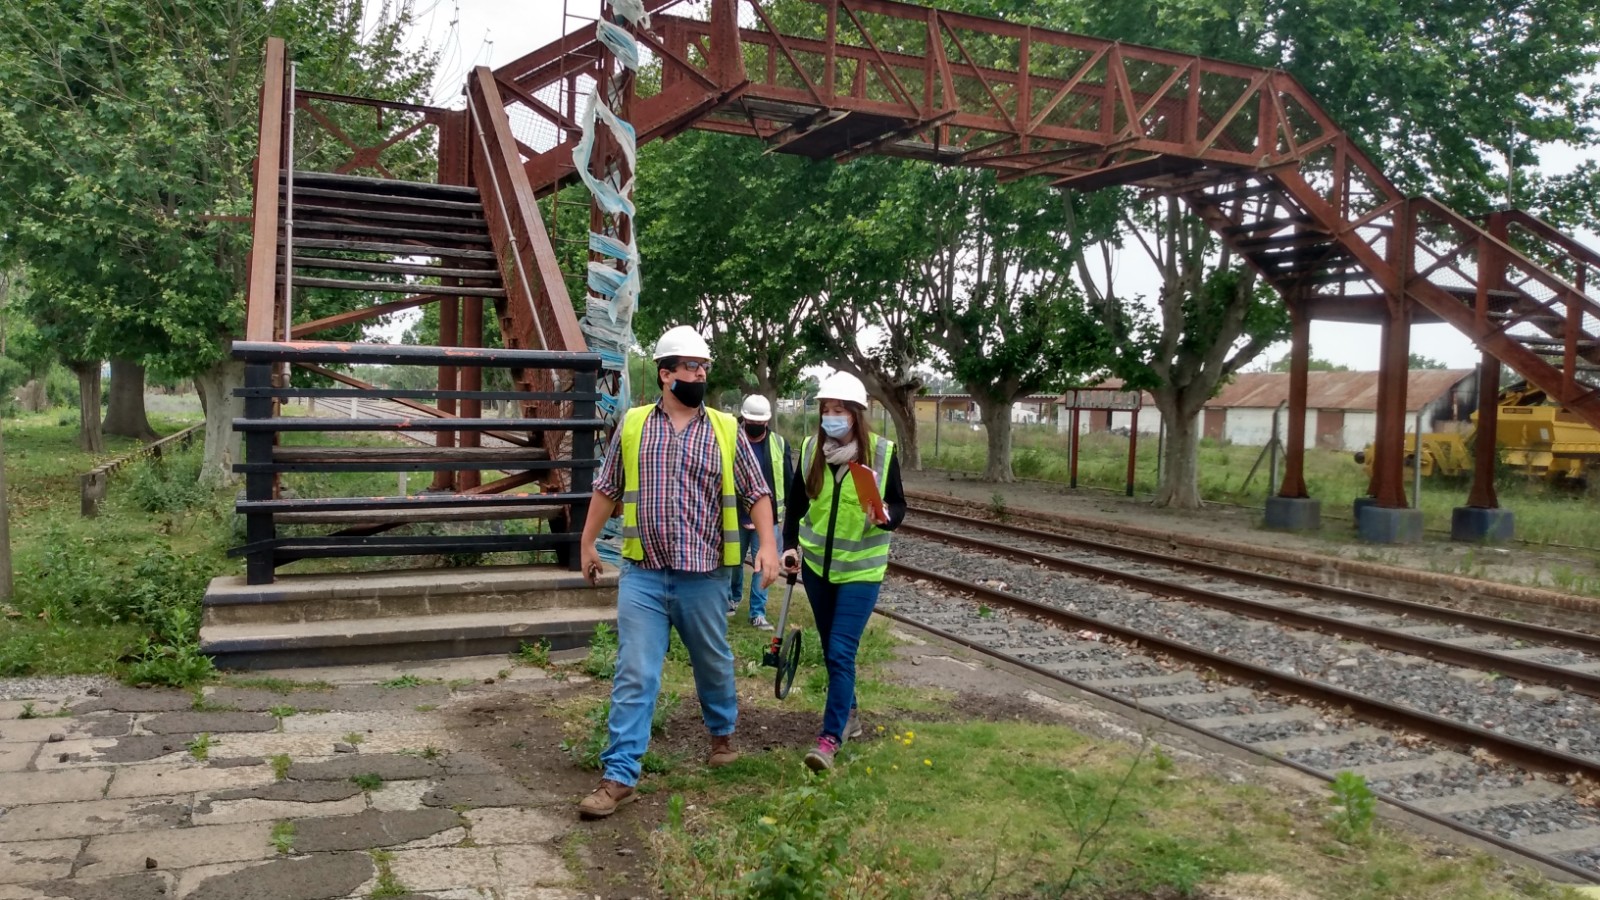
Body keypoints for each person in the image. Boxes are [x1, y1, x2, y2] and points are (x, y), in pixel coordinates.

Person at [576, 325, 781, 818]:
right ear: (666, 374)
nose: (700, 373)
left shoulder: (726, 430)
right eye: (691, 366)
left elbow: (757, 493)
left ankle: (722, 734)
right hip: (644, 574)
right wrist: (587, 543)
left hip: (704, 575)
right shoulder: (634, 426)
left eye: (704, 366)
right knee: (634, 672)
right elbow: (607, 487)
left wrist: (769, 546)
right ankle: (620, 775)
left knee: (713, 663)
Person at [780, 371, 906, 772]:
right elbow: (796, 504)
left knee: (840, 651)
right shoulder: (810, 449)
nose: (831, 417)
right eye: (826, 410)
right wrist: (788, 546)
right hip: (818, 569)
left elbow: (899, 507)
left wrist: (884, 518)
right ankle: (850, 715)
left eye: (839, 411)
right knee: (834, 651)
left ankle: (829, 739)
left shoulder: (882, 454)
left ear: (856, 415)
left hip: (860, 573)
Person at [729, 394, 792, 631]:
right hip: (735, 514)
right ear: (743, 418)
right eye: (751, 420)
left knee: (762, 566)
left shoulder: (778, 443)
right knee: (733, 562)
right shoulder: (730, 439)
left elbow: (788, 479)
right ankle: (732, 598)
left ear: (768, 421)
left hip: (767, 518)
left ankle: (757, 612)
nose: (756, 425)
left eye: (761, 422)